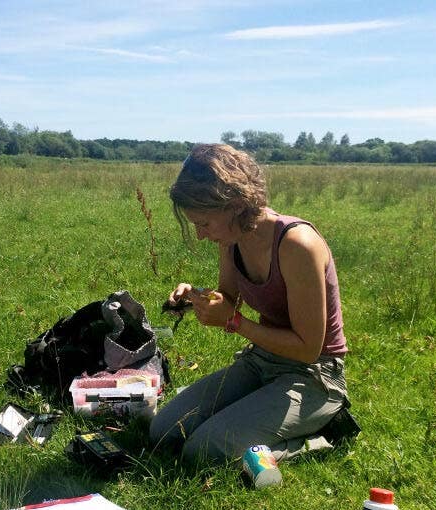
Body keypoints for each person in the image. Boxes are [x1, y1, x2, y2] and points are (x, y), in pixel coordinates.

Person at [149, 143, 349, 465]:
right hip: (262, 361)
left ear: (236, 205)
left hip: (314, 376)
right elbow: (227, 297)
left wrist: (235, 322)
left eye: (204, 223)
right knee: (164, 430)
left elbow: (308, 348)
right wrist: (198, 297)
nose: (201, 235)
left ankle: (320, 435)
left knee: (203, 451)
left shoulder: (297, 245)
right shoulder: (232, 239)